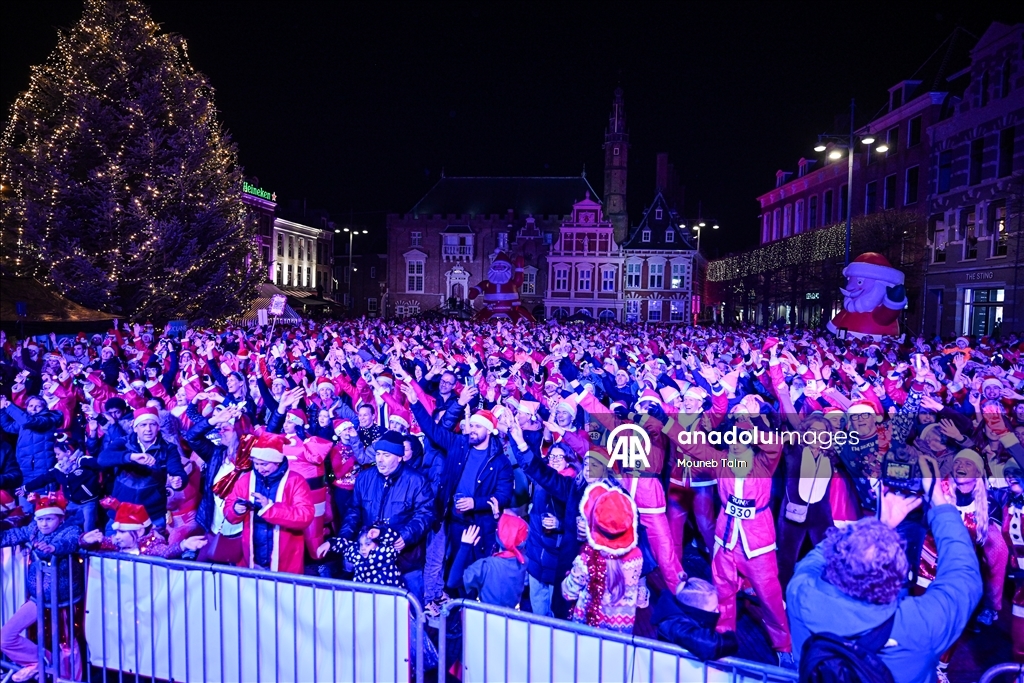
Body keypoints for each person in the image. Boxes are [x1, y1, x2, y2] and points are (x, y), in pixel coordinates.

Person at [787, 455, 983, 683]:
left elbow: (817, 556)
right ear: (897, 578)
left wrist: (878, 522)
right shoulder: (918, 624)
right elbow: (964, 574)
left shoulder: (800, 592)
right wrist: (938, 500)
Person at [333, 430, 434, 601]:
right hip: (370, 562)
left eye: (386, 455)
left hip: (405, 562)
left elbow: (426, 514)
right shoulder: (365, 478)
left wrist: (406, 536)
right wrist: (344, 537)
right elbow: (354, 511)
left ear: (400, 457)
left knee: (411, 617)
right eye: (378, 454)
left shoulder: (416, 481)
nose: (379, 459)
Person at [0, 491, 83, 683]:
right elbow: (12, 536)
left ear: (60, 518)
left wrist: (53, 549)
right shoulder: (34, 529)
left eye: (49, 519)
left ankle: (68, 679)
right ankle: (40, 662)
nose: (43, 524)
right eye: (40, 519)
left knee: (67, 648)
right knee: (6, 637)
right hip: (38, 599)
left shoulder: (71, 530)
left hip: (64, 602)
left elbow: (68, 543)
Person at [223, 431, 315, 574]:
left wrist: (270, 508)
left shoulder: (295, 481)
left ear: (277, 462)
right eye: (256, 463)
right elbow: (229, 510)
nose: (259, 468)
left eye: (264, 464)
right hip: (251, 562)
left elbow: (305, 516)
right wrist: (236, 510)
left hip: (286, 564)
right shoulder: (246, 480)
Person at [562, 481, 647, 634]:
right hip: (622, 636)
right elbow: (641, 599)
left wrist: (570, 576)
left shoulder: (586, 560)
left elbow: (568, 593)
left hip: (587, 634)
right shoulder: (637, 557)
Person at [97, 406, 187, 531]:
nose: (148, 429)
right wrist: (130, 457)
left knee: (151, 549)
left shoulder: (168, 448)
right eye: (143, 425)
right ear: (135, 428)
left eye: (152, 424)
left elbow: (177, 470)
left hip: (152, 513)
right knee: (113, 547)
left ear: (158, 427)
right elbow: (102, 459)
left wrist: (178, 480)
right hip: (120, 510)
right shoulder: (123, 443)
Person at [19, 433, 101, 532]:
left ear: (68, 452)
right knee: (67, 526)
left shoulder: (83, 461)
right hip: (72, 503)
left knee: (88, 527)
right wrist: (25, 488)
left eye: (58, 454)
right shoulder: (59, 468)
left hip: (88, 502)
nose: (56, 457)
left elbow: (100, 463)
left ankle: (89, 546)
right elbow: (43, 479)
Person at [446, 513, 529, 609]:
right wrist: (476, 550)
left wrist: (465, 547)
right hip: (509, 619)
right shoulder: (524, 562)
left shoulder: (487, 566)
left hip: (486, 618)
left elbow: (452, 582)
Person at [80, 498, 208, 557]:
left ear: (140, 531)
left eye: (122, 532)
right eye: (117, 532)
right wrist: (85, 540)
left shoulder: (151, 546)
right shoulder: (116, 543)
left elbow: (165, 551)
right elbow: (97, 544)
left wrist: (183, 545)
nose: (116, 536)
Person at [0, 393, 62, 513]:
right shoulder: (26, 420)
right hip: (24, 470)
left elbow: (28, 422)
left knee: (44, 511)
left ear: (44, 408)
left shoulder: (47, 419)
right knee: (25, 512)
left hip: (41, 472)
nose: (33, 408)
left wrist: (8, 405)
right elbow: (8, 426)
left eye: (37, 406)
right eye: (30, 406)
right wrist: (2, 410)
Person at [651, 578, 739, 661]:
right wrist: (731, 639)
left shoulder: (683, 611)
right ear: (697, 611)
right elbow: (710, 646)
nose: (718, 612)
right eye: (713, 609)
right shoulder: (674, 626)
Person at [319, 524, 403, 586]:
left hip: (389, 600)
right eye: (361, 544)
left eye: (368, 544)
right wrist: (331, 543)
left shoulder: (386, 553)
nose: (363, 548)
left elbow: (393, 539)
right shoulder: (357, 555)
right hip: (363, 599)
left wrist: (380, 532)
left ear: (378, 544)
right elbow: (346, 545)